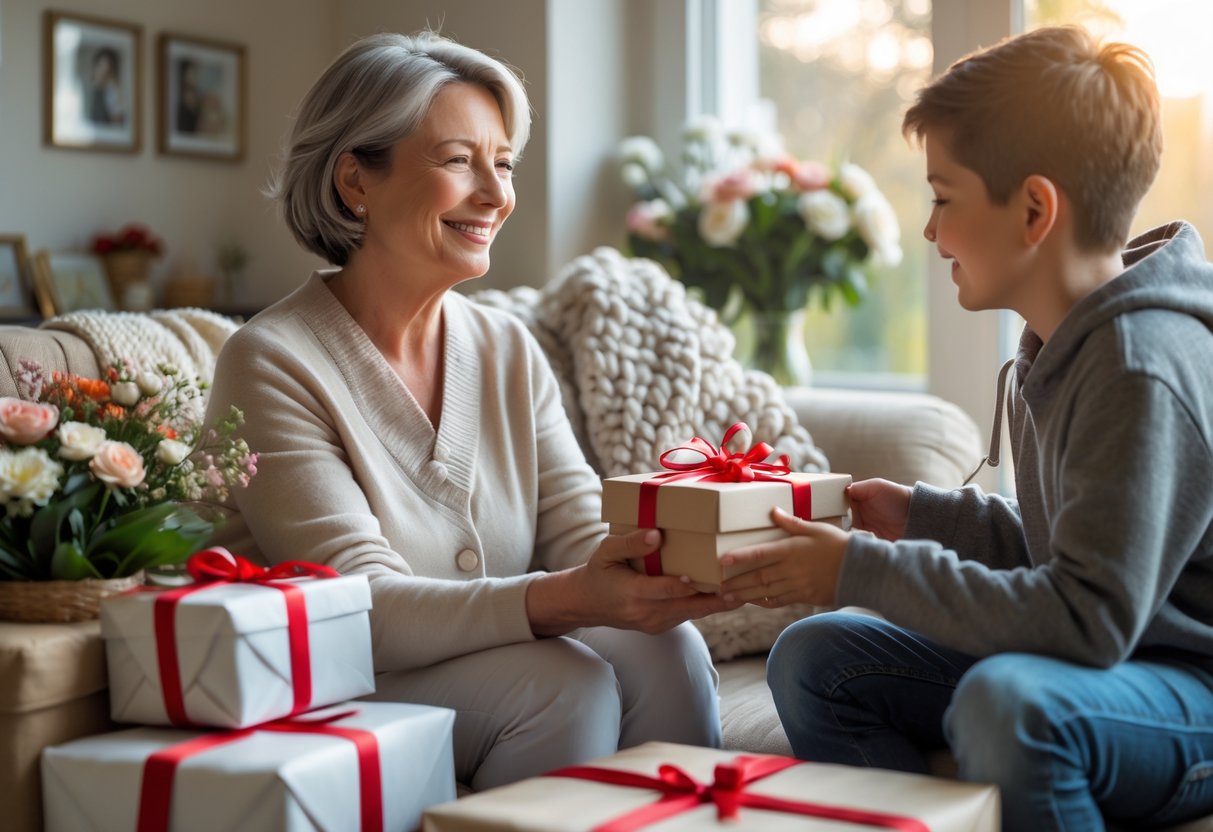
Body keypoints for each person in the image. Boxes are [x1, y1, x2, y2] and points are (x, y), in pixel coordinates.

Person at [202, 31, 739, 791]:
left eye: (503, 162)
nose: (495, 193)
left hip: (459, 660)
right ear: (356, 181)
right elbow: (361, 609)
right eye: (459, 160)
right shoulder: (272, 361)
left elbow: (580, 534)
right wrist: (562, 597)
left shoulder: (506, 349)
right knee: (562, 684)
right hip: (329, 674)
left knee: (668, 645)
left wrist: (694, 543)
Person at [719, 25, 1213, 831]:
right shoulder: (1056, 343)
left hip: (1186, 686)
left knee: (1005, 702)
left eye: (943, 198)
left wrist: (862, 573)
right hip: (1115, 660)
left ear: (1032, 210)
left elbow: (1086, 620)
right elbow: (1074, 552)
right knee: (817, 657)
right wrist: (921, 518)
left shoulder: (1137, 360)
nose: (928, 232)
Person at [87, 47, 125, 126]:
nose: (103, 74)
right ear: (95, 67)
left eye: (108, 70)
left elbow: (117, 122)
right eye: (101, 67)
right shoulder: (85, 91)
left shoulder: (112, 93)